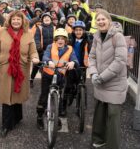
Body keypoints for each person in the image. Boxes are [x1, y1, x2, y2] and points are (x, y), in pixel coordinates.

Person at [0, 10, 40, 138]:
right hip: (5, 67)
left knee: (17, 93)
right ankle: (5, 125)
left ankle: (17, 117)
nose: (16, 21)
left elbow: (33, 50)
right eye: (13, 19)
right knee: (7, 96)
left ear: (23, 20)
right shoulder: (2, 31)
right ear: (9, 20)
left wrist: (35, 58)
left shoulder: (28, 33)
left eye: (18, 19)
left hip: (21, 68)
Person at [88, 9, 127, 149]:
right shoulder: (96, 36)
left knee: (113, 118)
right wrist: (93, 73)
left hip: (114, 84)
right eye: (98, 20)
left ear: (109, 21)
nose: (100, 22)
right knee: (99, 114)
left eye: (103, 19)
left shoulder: (118, 36)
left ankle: (112, 145)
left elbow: (120, 61)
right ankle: (99, 140)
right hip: (100, 82)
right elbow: (91, 57)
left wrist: (102, 77)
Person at [36, 28, 79, 129]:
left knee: (59, 96)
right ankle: (39, 116)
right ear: (55, 40)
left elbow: (74, 59)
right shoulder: (50, 47)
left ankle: (56, 117)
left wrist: (73, 62)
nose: (60, 40)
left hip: (60, 76)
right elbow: (45, 56)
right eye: (58, 38)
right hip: (48, 75)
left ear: (66, 40)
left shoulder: (70, 48)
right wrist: (48, 61)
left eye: (62, 38)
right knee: (44, 96)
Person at [30, 12, 55, 88]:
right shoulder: (39, 28)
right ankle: (31, 79)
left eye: (48, 17)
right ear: (42, 20)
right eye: (44, 18)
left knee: (52, 65)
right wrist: (38, 47)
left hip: (52, 50)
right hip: (42, 50)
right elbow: (36, 38)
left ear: (51, 19)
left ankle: (51, 80)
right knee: (37, 65)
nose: (46, 19)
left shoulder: (54, 28)